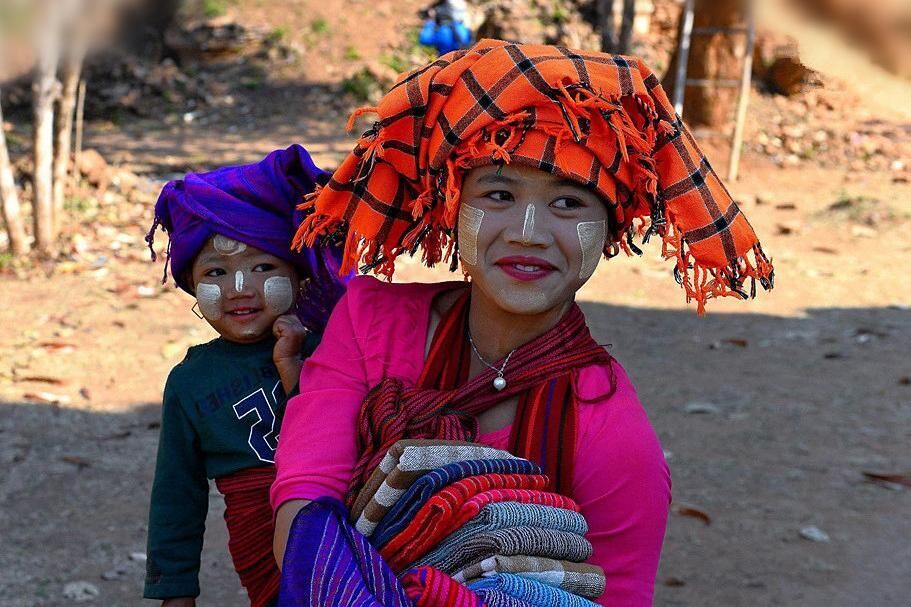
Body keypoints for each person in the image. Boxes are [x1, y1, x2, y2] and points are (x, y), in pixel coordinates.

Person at [271, 40, 774, 606]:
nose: (528, 232)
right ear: (453, 206)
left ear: (608, 233)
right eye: (500, 193)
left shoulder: (612, 437)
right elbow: (306, 506)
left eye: (569, 204)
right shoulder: (370, 325)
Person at [142, 145, 349, 607]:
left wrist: (293, 367)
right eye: (216, 271)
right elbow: (177, 497)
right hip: (259, 551)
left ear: (298, 277)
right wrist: (174, 591)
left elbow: (346, 434)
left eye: (263, 267)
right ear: (193, 285)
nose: (240, 289)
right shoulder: (190, 382)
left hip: (344, 523)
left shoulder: (331, 346)